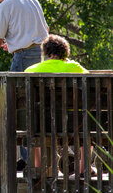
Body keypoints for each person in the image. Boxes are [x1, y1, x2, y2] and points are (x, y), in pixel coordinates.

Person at [25, 35, 93, 177]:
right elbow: (90, 82)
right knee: (87, 126)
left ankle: (39, 169)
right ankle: (83, 169)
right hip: (73, 124)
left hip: (42, 124)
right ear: (65, 52)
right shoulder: (73, 67)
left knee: (34, 126)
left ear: (45, 52)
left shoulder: (31, 70)